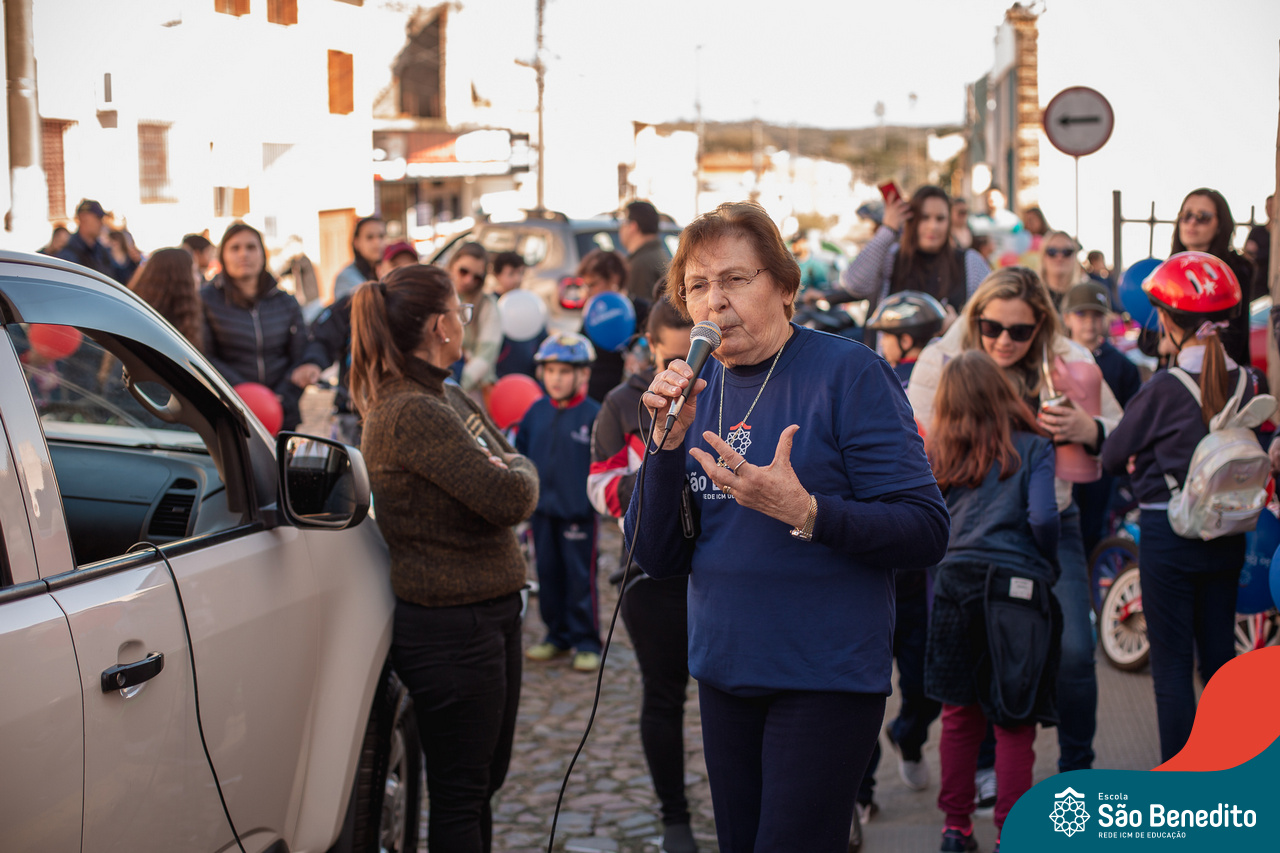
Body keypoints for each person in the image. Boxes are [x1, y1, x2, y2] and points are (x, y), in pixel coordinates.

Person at [626, 201, 950, 852]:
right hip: (725, 672)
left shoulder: (849, 373)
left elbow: (925, 529)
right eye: (697, 285)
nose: (714, 300)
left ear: (784, 286)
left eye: (734, 279)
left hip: (824, 675)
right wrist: (664, 447)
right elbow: (655, 556)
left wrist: (808, 512)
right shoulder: (692, 389)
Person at [349, 263, 538, 851]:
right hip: (454, 628)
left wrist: (511, 467)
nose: (465, 320)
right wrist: (510, 469)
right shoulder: (412, 411)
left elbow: (515, 467)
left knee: (482, 785)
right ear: (440, 326)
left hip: (488, 614)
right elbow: (512, 495)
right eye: (462, 311)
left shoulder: (447, 395)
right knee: (461, 794)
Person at [909, 267, 1124, 776]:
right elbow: (912, 441)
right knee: (976, 654)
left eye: (1020, 331)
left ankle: (1077, 772)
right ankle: (985, 775)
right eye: (992, 327)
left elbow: (1124, 433)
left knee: (1075, 651)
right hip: (969, 527)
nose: (1004, 340)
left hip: (1051, 523)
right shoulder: (942, 360)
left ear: (1041, 326)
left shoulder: (1070, 361)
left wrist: (1089, 427)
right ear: (976, 320)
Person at [1100, 253, 1269, 763]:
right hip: (1228, 533)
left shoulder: (1162, 388)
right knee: (1218, 659)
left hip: (1167, 533)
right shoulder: (1250, 382)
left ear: (1170, 320)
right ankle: (1227, 766)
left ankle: (1179, 782)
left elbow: (1112, 456)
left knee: (1172, 669)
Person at [925, 350, 1060, 853]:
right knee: (1014, 720)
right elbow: (1044, 518)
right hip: (1015, 589)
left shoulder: (938, 452)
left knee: (959, 716)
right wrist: (1047, 565)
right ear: (1002, 393)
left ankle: (955, 830)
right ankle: (1012, 833)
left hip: (954, 584)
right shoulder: (1034, 447)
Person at [588, 297, 700, 853]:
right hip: (648, 578)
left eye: (694, 359)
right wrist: (660, 474)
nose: (684, 372)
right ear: (649, 347)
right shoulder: (620, 403)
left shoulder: (720, 389)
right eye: (672, 359)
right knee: (663, 697)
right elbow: (600, 488)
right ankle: (674, 817)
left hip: (716, 572)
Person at [852, 290, 947, 841]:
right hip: (873, 556)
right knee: (868, 684)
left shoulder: (927, 383)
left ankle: (908, 736)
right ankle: (861, 790)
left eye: (887, 335)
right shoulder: (867, 379)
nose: (881, 344)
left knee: (917, 678)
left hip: (913, 557)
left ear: (906, 338)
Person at [517, 333, 603, 672]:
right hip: (542, 513)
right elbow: (521, 454)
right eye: (550, 370)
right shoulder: (535, 412)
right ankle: (556, 636)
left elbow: (603, 464)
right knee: (548, 575)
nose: (556, 378)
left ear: (583, 374)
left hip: (578, 515)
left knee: (579, 578)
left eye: (565, 371)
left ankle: (586, 641)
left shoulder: (594, 415)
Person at [199, 222, 321, 431]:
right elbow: (205, 356)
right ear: (223, 256)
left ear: (263, 254)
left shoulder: (286, 301)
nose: (243, 254)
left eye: (251, 247)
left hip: (281, 410)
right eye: (235, 248)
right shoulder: (206, 300)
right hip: (230, 410)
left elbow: (300, 354)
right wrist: (248, 395)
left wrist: (282, 395)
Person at [1061, 281, 1142, 555]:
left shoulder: (1123, 366)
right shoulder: (1054, 360)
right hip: (1060, 461)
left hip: (1102, 465)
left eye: (1097, 315)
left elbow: (1130, 422)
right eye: (1081, 314)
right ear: (1067, 318)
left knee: (1094, 531)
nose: (1089, 322)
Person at [840, 185, 990, 324]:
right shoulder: (891, 258)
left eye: (940, 218)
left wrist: (959, 327)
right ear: (911, 219)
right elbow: (854, 284)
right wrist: (888, 230)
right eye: (924, 217)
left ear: (949, 221)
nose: (933, 226)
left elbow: (991, 311)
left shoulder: (969, 262)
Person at [1170, 188, 1254, 365]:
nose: (1192, 222)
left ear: (1220, 226)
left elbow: (1235, 339)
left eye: (1203, 217)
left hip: (1219, 371)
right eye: (1186, 215)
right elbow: (1146, 338)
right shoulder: (1169, 269)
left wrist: (1177, 342)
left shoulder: (1235, 270)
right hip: (1173, 372)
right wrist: (1162, 345)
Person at [447, 242, 503, 398]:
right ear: (452, 265)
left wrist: (457, 385)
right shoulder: (437, 295)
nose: (468, 280)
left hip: (472, 389)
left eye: (477, 277)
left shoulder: (487, 305)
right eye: (463, 271)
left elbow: (486, 355)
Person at [577, 248, 633, 402]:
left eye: (593, 285)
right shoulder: (592, 313)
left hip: (630, 398)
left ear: (614, 279)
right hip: (596, 396)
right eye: (585, 286)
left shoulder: (640, 310)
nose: (587, 293)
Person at [864, 290, 947, 387]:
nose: (881, 343)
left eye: (886, 336)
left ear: (905, 341)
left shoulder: (889, 381)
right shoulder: (944, 370)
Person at [128, 247, 203, 349]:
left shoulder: (135, 313)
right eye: (194, 272)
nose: (199, 279)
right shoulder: (149, 325)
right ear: (180, 278)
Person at [58, 199, 136, 283]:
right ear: (83, 217)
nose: (102, 223)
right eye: (98, 218)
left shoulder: (102, 251)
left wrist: (130, 262)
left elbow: (119, 280)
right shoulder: (68, 255)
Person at [620, 200, 668, 303]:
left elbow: (640, 309)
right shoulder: (657, 254)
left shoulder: (639, 264)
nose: (621, 228)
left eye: (623, 222)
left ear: (633, 226)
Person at [334, 216, 385, 302]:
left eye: (381, 236)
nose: (377, 242)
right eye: (369, 237)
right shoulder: (346, 277)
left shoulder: (387, 271)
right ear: (356, 242)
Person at [1039, 231, 1084, 312]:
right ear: (1043, 257)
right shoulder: (1031, 295)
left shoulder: (1084, 296)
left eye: (1067, 252)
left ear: (1075, 258)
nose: (1059, 257)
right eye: (1052, 252)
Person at [1244, 194, 1273, 301]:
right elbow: (1248, 255)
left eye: (1273, 206)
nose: (1270, 209)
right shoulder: (1257, 232)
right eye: (1268, 206)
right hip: (1258, 285)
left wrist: (1259, 253)